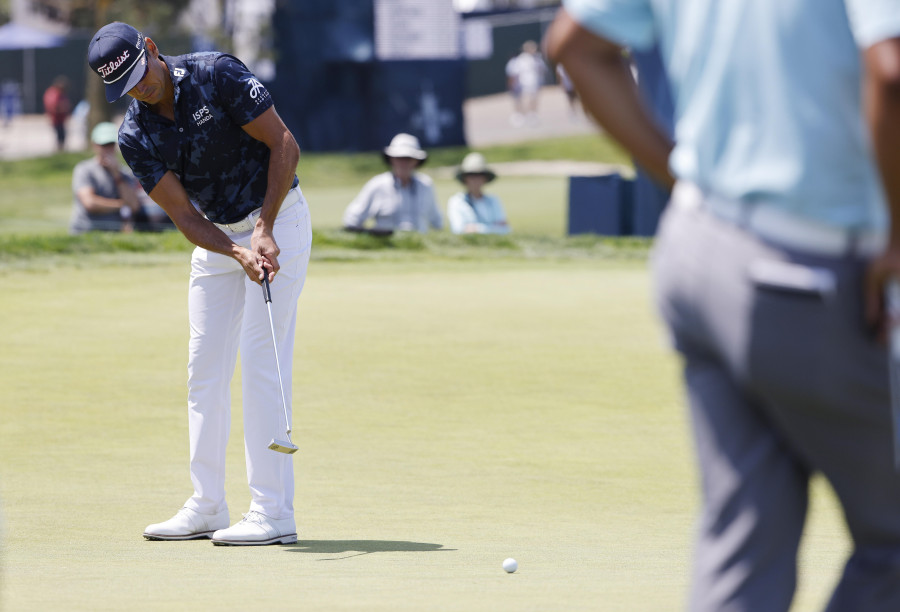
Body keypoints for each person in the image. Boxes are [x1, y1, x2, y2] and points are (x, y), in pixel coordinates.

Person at [547, 1, 900, 610]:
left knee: (745, 544)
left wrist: (680, 182)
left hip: (697, 250)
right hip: (809, 269)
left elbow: (575, 45)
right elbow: (890, 72)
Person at [88, 21, 312, 546]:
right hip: (216, 241)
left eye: (141, 75)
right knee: (204, 369)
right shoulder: (134, 135)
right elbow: (185, 217)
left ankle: (274, 512)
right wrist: (236, 251)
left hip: (278, 220)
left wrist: (263, 229)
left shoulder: (217, 74)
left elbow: (284, 143)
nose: (140, 89)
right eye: (126, 86)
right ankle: (208, 504)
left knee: (261, 361)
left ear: (151, 48)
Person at [69, 121, 159, 235]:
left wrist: (117, 175)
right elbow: (90, 203)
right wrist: (121, 204)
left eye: (110, 144)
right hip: (86, 231)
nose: (107, 149)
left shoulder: (125, 173)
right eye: (103, 145)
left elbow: (134, 205)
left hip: (114, 233)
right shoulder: (84, 169)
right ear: (94, 145)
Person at [342, 133, 442, 234]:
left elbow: (437, 223)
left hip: (419, 247)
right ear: (391, 159)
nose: (404, 163)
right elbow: (352, 220)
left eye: (408, 159)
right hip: (386, 248)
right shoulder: (377, 185)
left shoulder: (426, 185)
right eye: (399, 158)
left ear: (416, 161)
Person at [447, 152, 510, 235]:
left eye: (479, 175)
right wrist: (490, 229)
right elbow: (459, 230)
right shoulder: (457, 202)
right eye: (471, 175)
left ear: (485, 178)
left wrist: (476, 228)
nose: (476, 179)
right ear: (465, 178)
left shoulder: (493, 201)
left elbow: (505, 228)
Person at [505, 41, 546, 127]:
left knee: (534, 99)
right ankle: (521, 115)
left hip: (535, 82)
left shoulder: (537, 59)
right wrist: (514, 84)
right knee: (523, 100)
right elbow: (515, 73)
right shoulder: (521, 60)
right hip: (523, 83)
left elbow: (542, 70)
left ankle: (532, 114)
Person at [43, 76, 71, 152]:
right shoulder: (53, 93)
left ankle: (61, 149)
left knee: (62, 135)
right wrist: (62, 108)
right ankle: (59, 150)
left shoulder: (59, 93)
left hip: (61, 119)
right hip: (56, 119)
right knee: (60, 135)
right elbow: (53, 106)